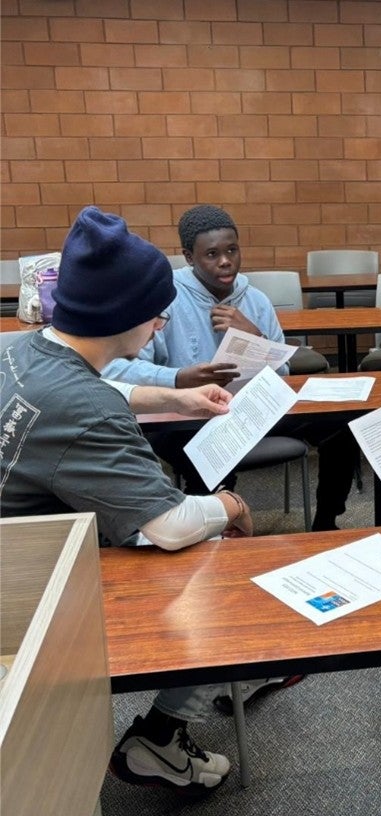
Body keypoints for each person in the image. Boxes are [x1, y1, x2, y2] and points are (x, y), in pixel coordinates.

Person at [0, 206, 264, 795]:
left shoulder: (17, 351)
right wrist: (231, 507)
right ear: (125, 318)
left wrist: (176, 400)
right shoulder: (84, 408)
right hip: (35, 596)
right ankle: (161, 737)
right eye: (154, 310)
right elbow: (167, 525)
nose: (162, 320)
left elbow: (95, 386)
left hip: (20, 558)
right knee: (223, 559)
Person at [102, 204, 358, 532]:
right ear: (189, 257)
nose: (225, 261)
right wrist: (179, 378)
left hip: (251, 411)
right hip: (181, 417)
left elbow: (282, 377)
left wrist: (255, 337)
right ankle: (209, 531)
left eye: (232, 250)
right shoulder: (163, 300)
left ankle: (326, 523)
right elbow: (117, 370)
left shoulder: (256, 301)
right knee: (212, 452)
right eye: (211, 254)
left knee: (343, 423)